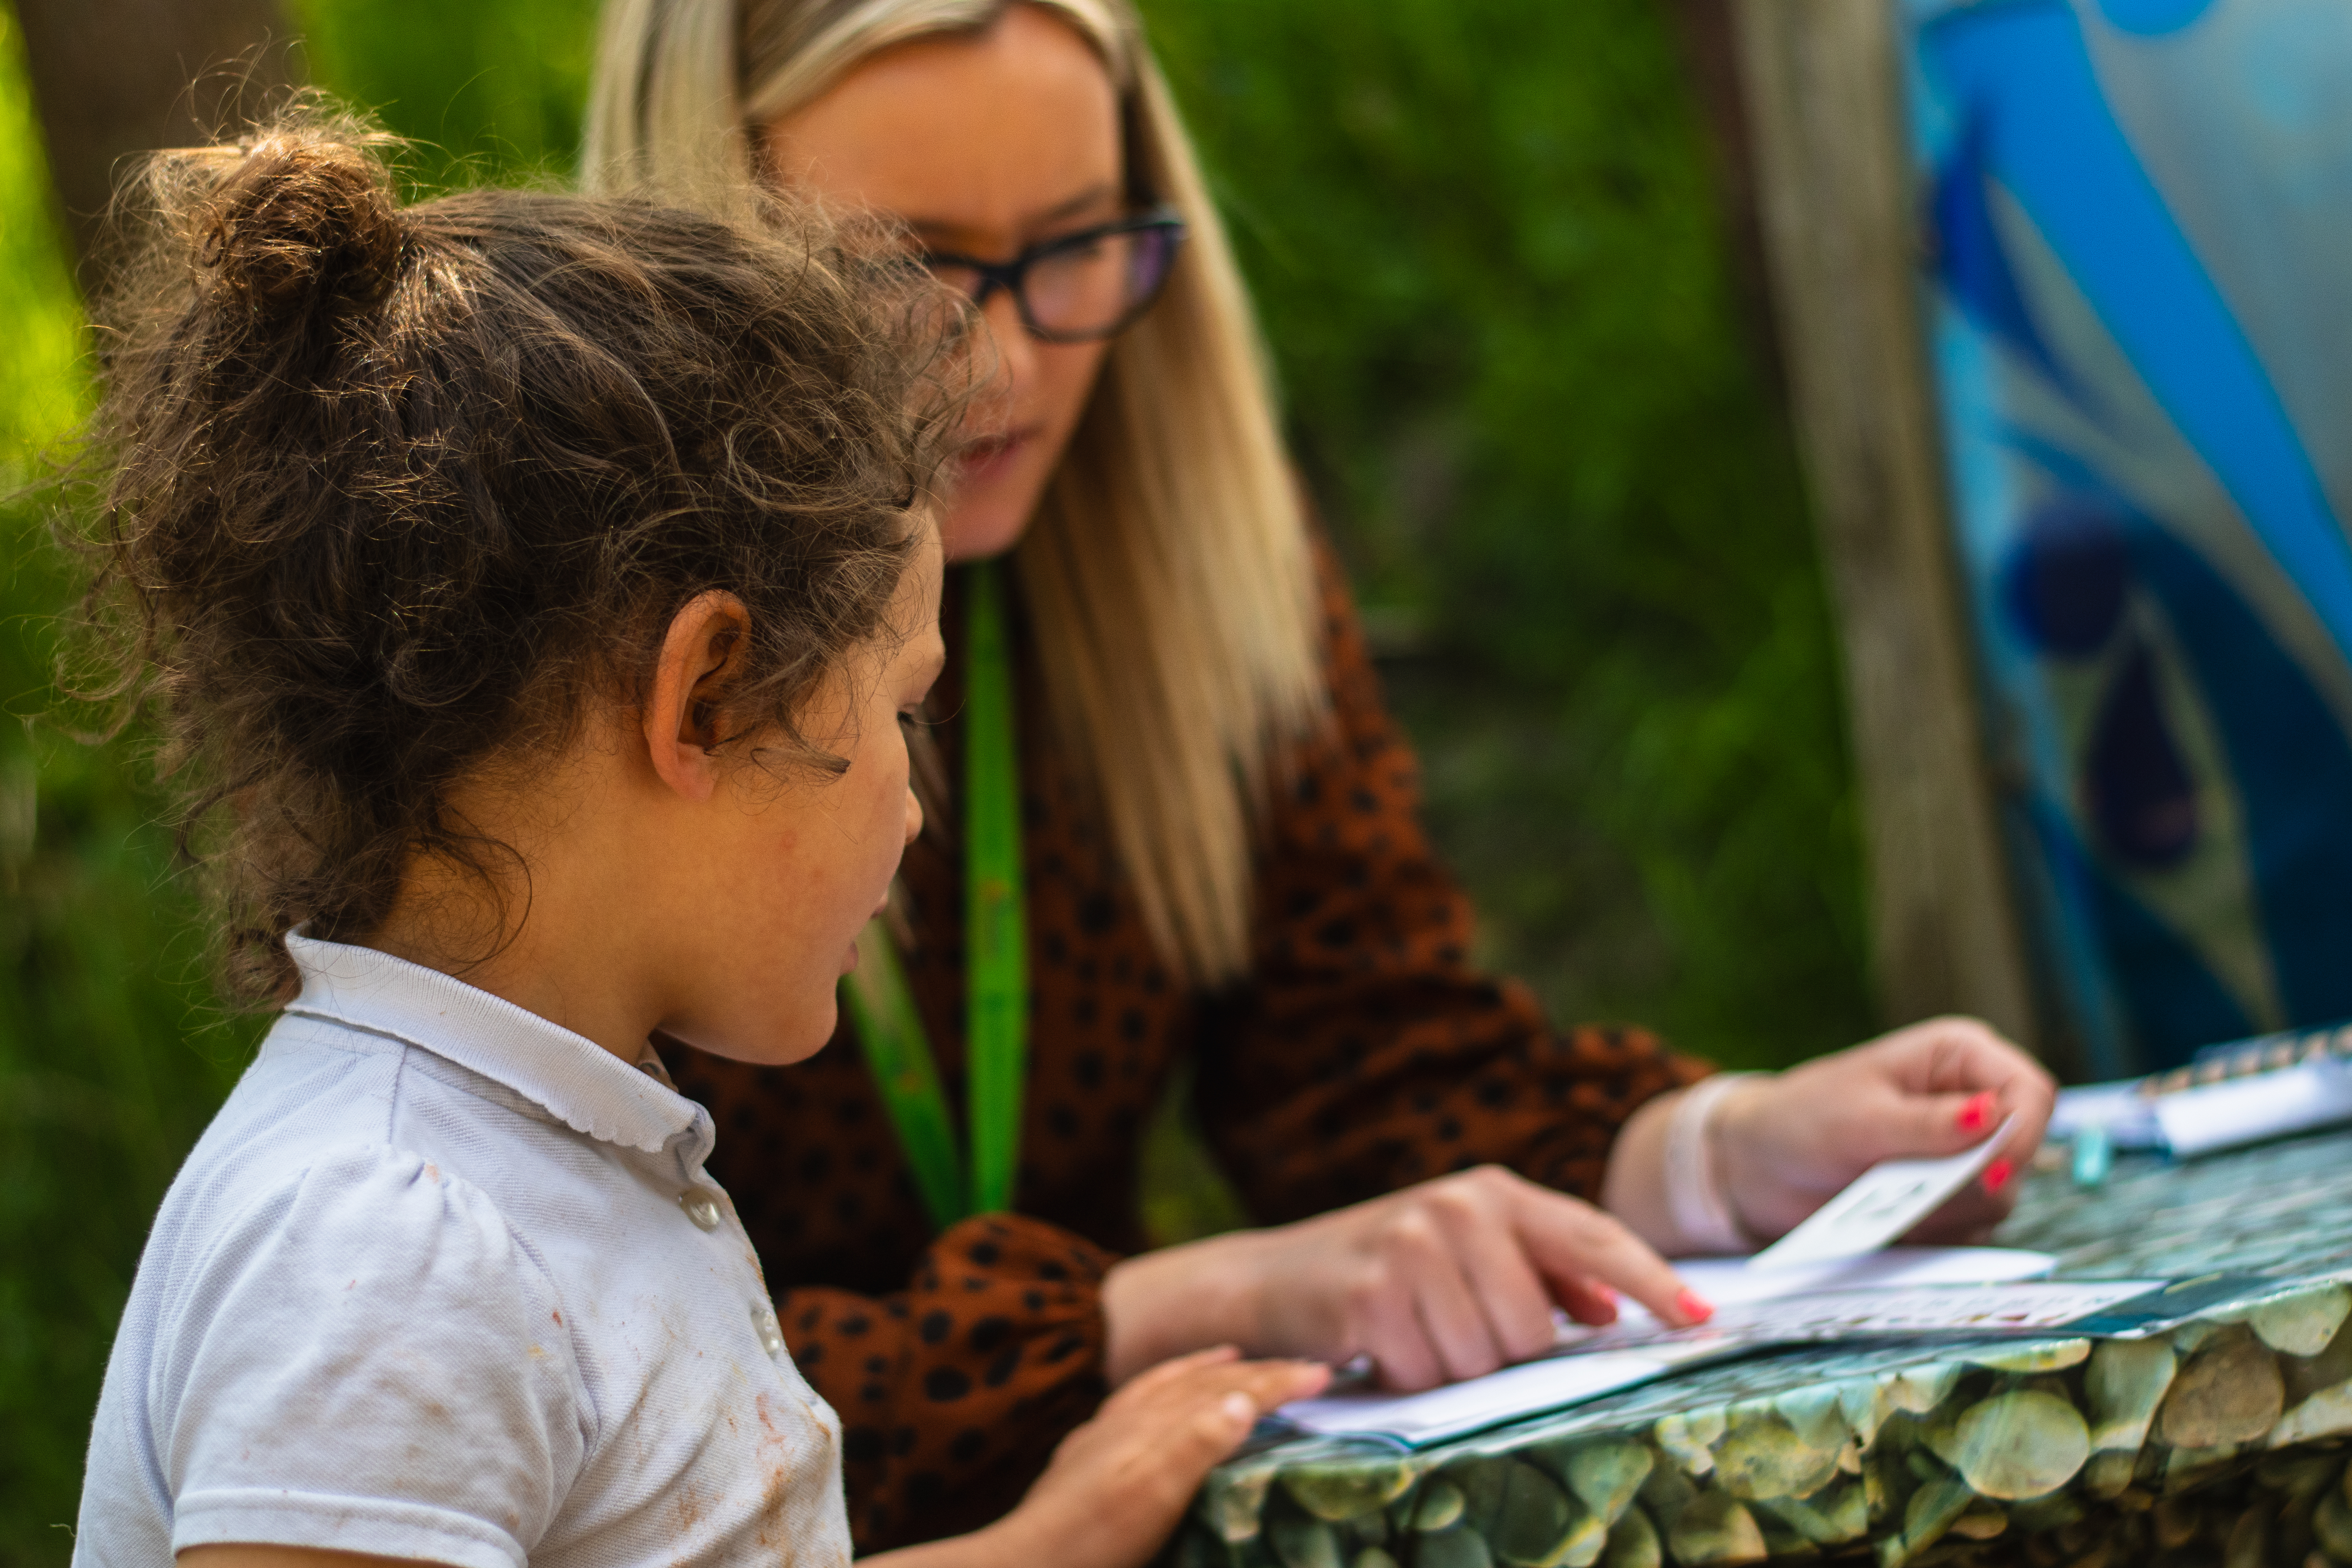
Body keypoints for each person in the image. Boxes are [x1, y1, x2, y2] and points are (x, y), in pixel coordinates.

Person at [582, 0, 2061, 1549]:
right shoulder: (554, 681)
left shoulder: (1193, 562)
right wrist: (1184, 1300)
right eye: (903, 266)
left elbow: (1360, 1060)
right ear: (704, 241)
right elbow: (573, 1387)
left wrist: (1725, 1151)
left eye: (1079, 242)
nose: (1007, 358)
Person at [69, 117, 1330, 1568]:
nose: (916, 808)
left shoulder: (532, 1162)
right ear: (707, 696)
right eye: (904, 715)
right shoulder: (392, 1241)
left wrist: (1054, 1539)